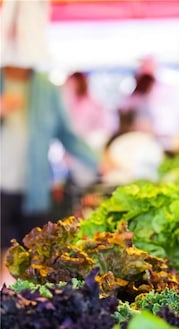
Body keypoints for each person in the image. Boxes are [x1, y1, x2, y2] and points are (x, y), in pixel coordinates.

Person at [1, 65, 100, 284]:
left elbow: (67, 135)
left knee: (33, 267)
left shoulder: (47, 87)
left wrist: (97, 159)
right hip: (2, 189)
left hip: (35, 192)